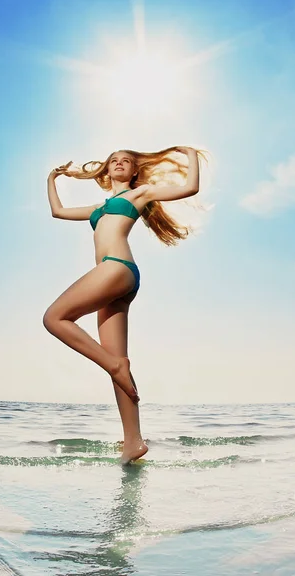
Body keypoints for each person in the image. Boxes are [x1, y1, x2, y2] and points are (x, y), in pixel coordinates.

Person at [43, 146, 202, 463]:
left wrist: (190, 154)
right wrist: (52, 178)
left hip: (116, 268)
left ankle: (115, 365)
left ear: (133, 172)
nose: (119, 163)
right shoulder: (97, 208)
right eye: (113, 160)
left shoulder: (139, 194)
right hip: (116, 280)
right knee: (116, 360)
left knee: (54, 318)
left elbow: (190, 187)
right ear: (106, 170)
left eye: (126, 161)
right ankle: (133, 442)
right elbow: (58, 212)